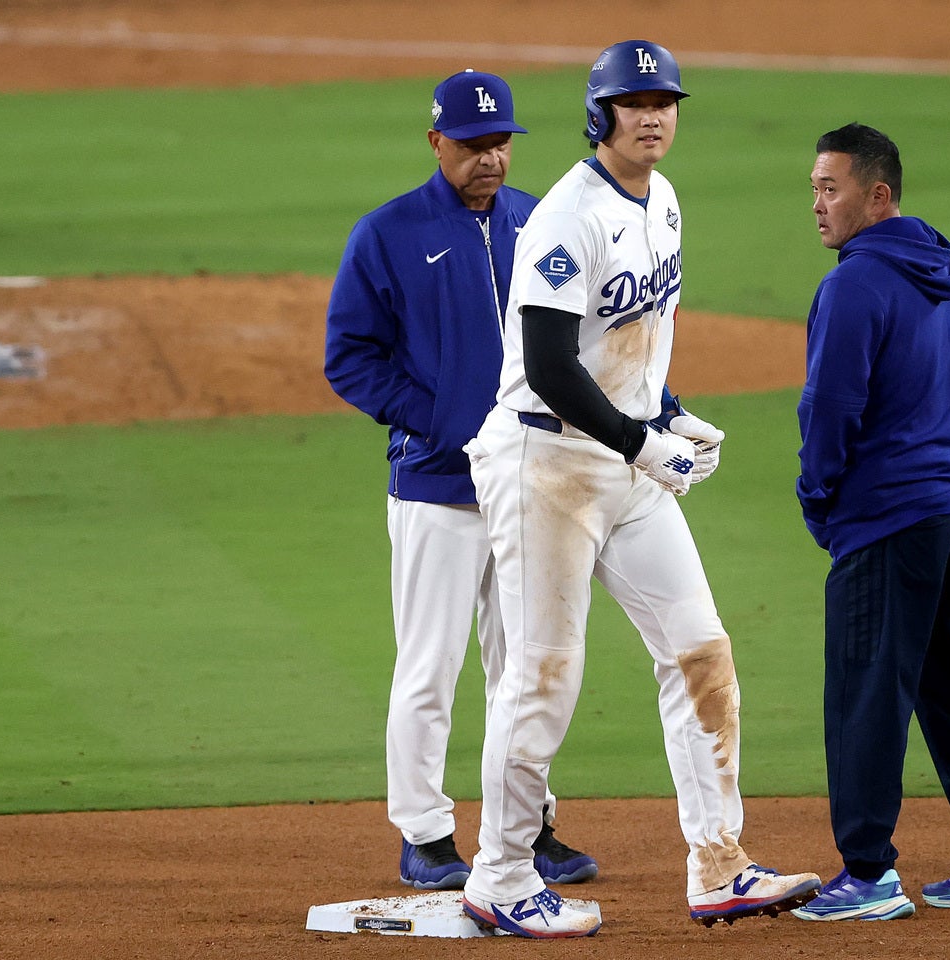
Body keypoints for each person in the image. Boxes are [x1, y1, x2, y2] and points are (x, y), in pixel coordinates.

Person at [458, 40, 821, 939]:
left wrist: (670, 414)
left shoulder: (663, 201)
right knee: (542, 676)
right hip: (546, 466)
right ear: (601, 114)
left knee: (701, 650)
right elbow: (546, 365)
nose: (655, 114)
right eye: (636, 102)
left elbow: (635, 341)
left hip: (626, 463)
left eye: (666, 100)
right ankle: (500, 875)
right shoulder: (566, 217)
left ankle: (720, 865)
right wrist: (639, 441)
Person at [323, 69, 597, 893]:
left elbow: (579, 337)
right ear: (436, 140)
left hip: (527, 487)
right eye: (474, 144)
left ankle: (527, 825)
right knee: (431, 667)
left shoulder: (538, 220)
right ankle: (426, 834)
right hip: (437, 489)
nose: (491, 157)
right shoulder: (388, 234)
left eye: (502, 141)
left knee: (528, 665)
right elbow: (350, 358)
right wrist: (438, 420)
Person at [789, 123, 950, 922]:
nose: (817, 205)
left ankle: (867, 874)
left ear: (879, 194)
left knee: (866, 698)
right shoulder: (942, 265)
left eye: (830, 188)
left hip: (890, 518)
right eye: (812, 188)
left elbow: (830, 408)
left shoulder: (854, 284)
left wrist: (817, 496)